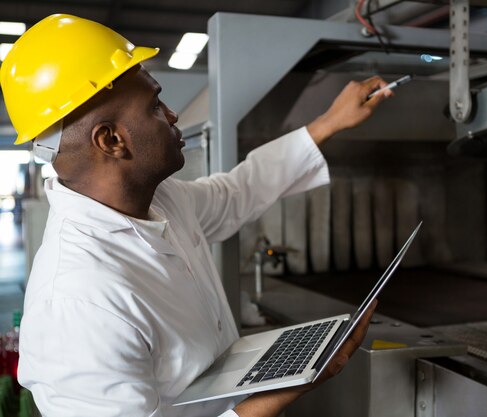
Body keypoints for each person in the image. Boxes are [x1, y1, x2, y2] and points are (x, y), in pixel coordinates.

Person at [0, 14, 392, 417]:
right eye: (154, 105)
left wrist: (329, 123)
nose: (172, 115)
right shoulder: (77, 301)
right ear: (111, 140)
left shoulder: (159, 202)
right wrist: (298, 379)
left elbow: (237, 191)